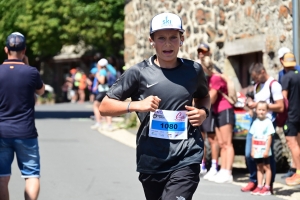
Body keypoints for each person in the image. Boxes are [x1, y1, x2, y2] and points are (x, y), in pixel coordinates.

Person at [99, 12, 210, 200]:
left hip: (187, 155)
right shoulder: (139, 72)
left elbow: (204, 97)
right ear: (152, 41)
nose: (168, 43)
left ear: (181, 39)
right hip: (152, 158)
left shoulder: (193, 70)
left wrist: (203, 112)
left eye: (173, 37)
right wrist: (137, 105)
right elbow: (105, 106)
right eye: (161, 38)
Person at [0, 32, 45, 200]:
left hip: (1, 131)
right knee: (32, 174)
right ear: (24, 50)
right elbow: (41, 91)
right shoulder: (31, 72)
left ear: (6, 49)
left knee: (1, 176)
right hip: (25, 132)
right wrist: (27, 66)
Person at [241, 63, 284, 193]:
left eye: (256, 77)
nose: (255, 80)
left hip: (267, 123)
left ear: (263, 71)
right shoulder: (257, 85)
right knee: (250, 154)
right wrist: (250, 105)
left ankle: (268, 185)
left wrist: (261, 106)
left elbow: (280, 107)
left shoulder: (274, 85)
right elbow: (255, 100)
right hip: (255, 122)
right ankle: (255, 181)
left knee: (267, 156)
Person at [201, 56, 235, 183]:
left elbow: (213, 97)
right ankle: (223, 169)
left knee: (227, 143)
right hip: (217, 111)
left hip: (225, 110)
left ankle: (228, 171)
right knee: (221, 143)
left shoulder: (216, 78)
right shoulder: (211, 78)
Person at [196, 43, 220, 177]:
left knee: (212, 138)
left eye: (204, 51)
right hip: (196, 106)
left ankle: (215, 166)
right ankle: (202, 164)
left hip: (209, 106)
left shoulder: (214, 68)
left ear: (209, 52)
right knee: (200, 137)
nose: (201, 53)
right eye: (199, 51)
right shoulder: (194, 66)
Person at [277, 47, 300, 179]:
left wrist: (280, 116)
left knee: (292, 143)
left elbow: (284, 100)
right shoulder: (299, 74)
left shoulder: (286, 77)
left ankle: (298, 173)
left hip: (291, 115)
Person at [249, 101, 274, 196]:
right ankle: (259, 185)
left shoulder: (268, 122)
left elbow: (269, 136)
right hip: (257, 150)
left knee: (267, 167)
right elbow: (253, 136)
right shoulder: (255, 122)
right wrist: (252, 149)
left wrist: (267, 149)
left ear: (267, 111)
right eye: (259, 109)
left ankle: (267, 187)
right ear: (256, 110)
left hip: (264, 149)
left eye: (264, 110)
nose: (261, 112)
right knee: (259, 167)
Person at [91, 58, 114, 131]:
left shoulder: (102, 71)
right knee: (106, 107)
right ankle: (109, 125)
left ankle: (99, 123)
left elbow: (102, 81)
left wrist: (97, 76)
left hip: (103, 91)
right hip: (107, 90)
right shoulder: (108, 70)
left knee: (96, 106)